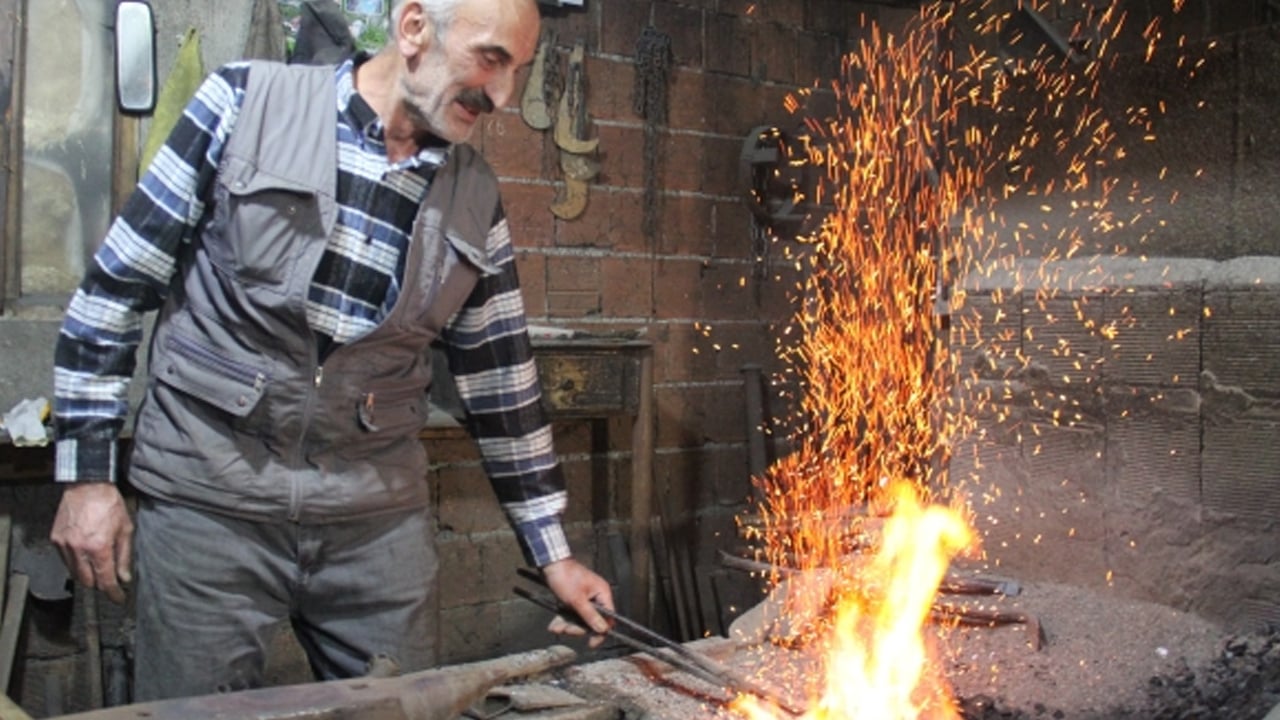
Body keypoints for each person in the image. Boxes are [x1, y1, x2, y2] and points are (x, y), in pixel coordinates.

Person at [49, 0, 613, 701]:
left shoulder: (475, 195)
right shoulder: (243, 103)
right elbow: (112, 291)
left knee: (404, 711)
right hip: (211, 499)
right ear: (413, 29)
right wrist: (89, 478)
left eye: (518, 71)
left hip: (373, 521)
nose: (502, 96)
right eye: (491, 59)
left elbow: (502, 383)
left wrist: (552, 554)